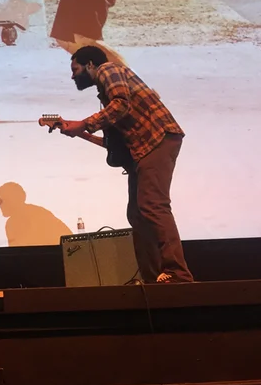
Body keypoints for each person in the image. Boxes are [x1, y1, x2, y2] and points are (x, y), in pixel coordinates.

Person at [57, 45, 193, 283]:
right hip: (145, 148)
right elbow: (114, 147)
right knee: (138, 214)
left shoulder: (108, 70)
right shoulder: (104, 94)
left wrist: (84, 123)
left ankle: (177, 275)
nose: (72, 76)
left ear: (90, 64)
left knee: (153, 205)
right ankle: (153, 278)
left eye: (75, 68)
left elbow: (121, 105)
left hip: (157, 140)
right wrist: (79, 131)